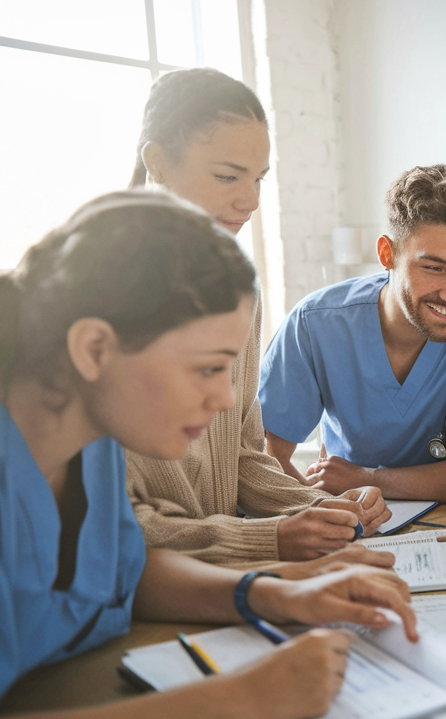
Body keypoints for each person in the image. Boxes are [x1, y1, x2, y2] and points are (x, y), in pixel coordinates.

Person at [0, 192, 419, 719]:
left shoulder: (85, 426)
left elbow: (122, 572)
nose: (227, 400)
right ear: (94, 349)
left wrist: (277, 593)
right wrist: (238, 700)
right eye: (207, 369)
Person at [126, 68, 389, 570]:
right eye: (227, 176)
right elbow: (113, 529)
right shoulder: (104, 304)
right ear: (157, 163)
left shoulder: (239, 285)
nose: (250, 200)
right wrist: (267, 540)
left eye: (259, 179)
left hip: (220, 577)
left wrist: (317, 508)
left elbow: (243, 454)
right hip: (140, 593)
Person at [259, 165, 446, 502]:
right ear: (387, 254)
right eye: (434, 268)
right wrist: (320, 511)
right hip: (348, 520)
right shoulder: (315, 323)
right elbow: (266, 459)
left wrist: (366, 479)